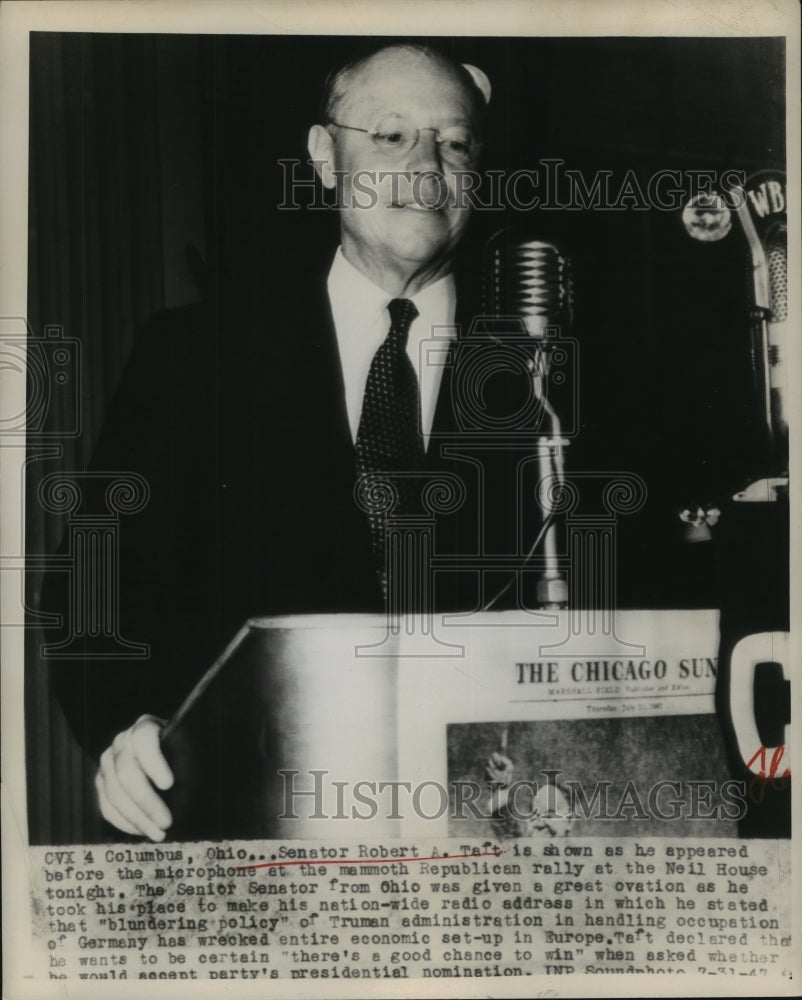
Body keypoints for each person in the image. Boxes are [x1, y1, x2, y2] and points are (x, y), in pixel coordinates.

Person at [51, 43, 504, 842]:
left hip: (490, 845)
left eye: (455, 140)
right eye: (391, 136)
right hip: (253, 831)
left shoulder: (555, 365)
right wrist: (132, 722)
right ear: (326, 157)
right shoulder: (193, 357)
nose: (427, 166)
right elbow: (91, 588)